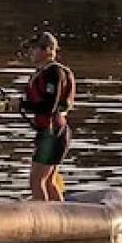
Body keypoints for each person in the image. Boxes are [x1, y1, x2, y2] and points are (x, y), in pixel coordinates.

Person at [18, 30, 75, 201]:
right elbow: (40, 104)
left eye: (37, 49)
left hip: (53, 133)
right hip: (53, 132)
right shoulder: (45, 73)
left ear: (49, 50)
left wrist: (20, 105)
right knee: (49, 182)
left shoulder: (53, 73)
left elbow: (50, 106)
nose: (32, 52)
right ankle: (61, 220)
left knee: (37, 181)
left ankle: (45, 224)